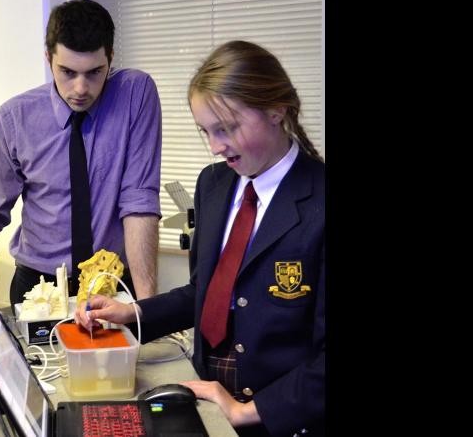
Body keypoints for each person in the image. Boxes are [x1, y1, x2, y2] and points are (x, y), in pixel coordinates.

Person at [76, 40, 325, 437]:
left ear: (277, 110)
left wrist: (248, 410)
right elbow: (207, 293)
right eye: (206, 131)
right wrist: (134, 313)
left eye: (227, 129)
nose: (215, 147)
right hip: (209, 403)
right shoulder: (214, 184)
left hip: (282, 419)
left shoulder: (319, 203)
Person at [0, 0, 162, 310]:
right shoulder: (15, 117)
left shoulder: (134, 93)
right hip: (39, 288)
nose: (80, 88)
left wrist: (149, 311)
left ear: (111, 58)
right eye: (67, 71)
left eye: (94, 72)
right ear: (48, 57)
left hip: (110, 285)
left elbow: (139, 200)